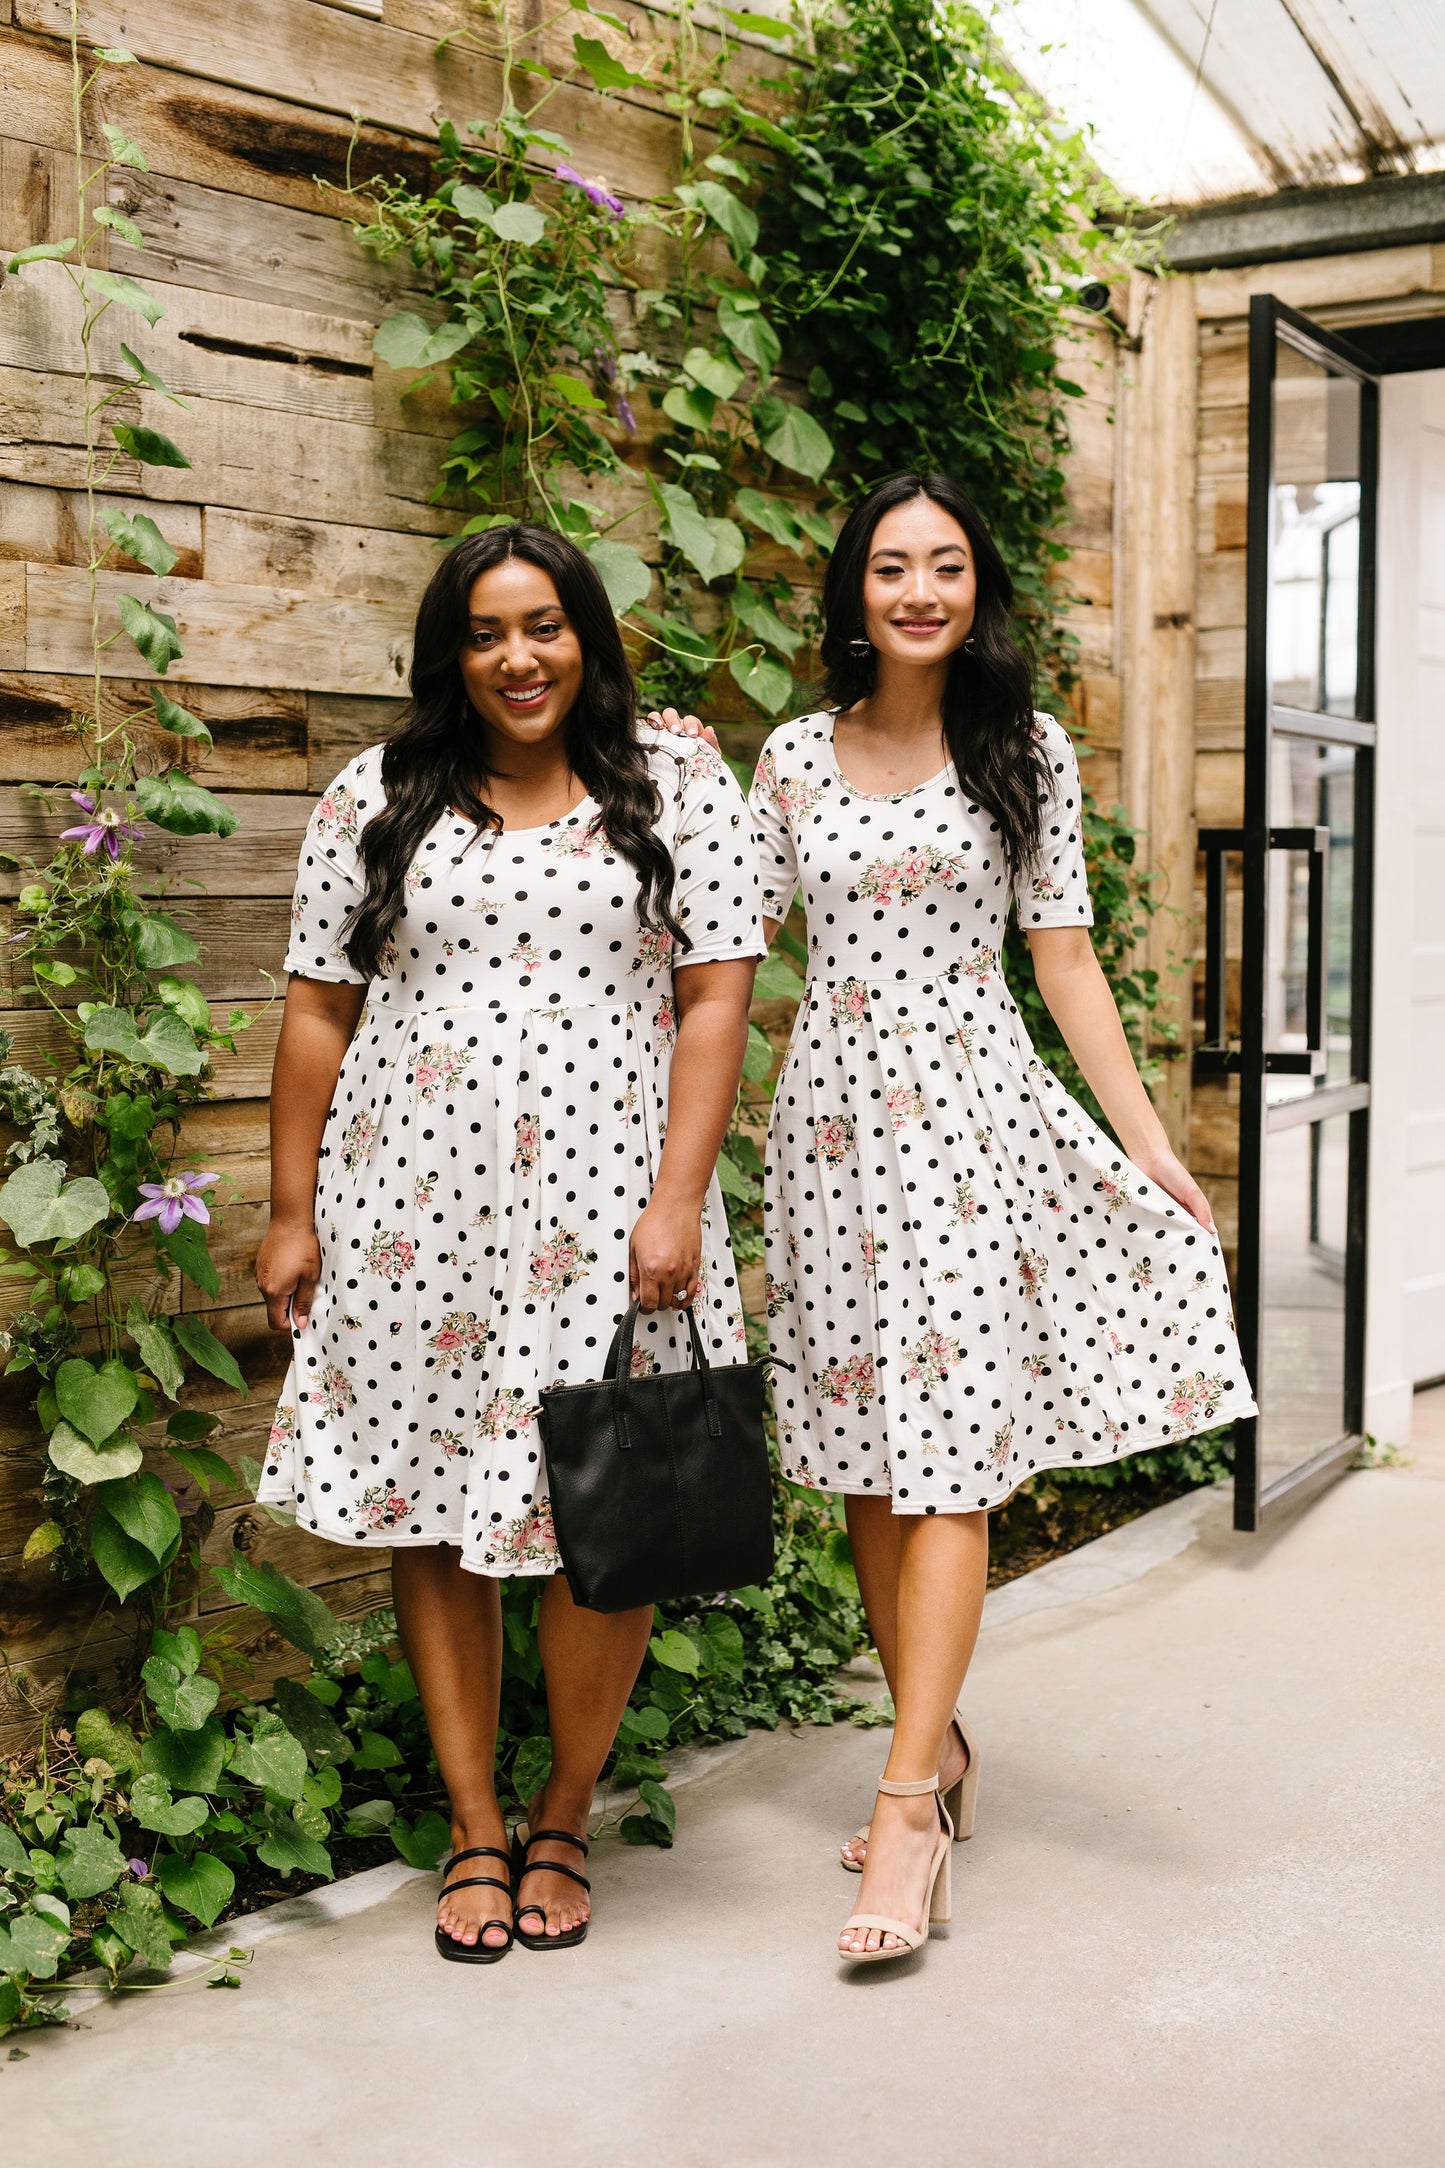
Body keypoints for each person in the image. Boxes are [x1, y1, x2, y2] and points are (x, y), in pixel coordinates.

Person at [661, 470, 1254, 1967]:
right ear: (852, 592)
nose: (917, 591)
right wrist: (667, 767)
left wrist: (1151, 1144)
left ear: (976, 586)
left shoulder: (1023, 747)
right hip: (829, 1137)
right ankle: (943, 1743)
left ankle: (908, 1800)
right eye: (888, 569)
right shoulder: (792, 756)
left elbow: (1062, 963)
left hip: (971, 1127)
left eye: (943, 567)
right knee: (866, 1463)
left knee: (945, 1470)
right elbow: (727, 923)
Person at [254, 525, 764, 1962]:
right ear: (449, 652)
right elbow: (313, 1008)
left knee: (608, 1517)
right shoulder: (379, 793)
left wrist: (676, 1198)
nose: (517, 658)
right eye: (485, 633)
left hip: (612, 1213)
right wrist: (290, 1210)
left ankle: (563, 1813)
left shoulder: (672, 786)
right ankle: (474, 1827)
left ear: (585, 636)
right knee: (435, 1511)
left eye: (543, 626)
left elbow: (716, 1001)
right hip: (412, 1214)